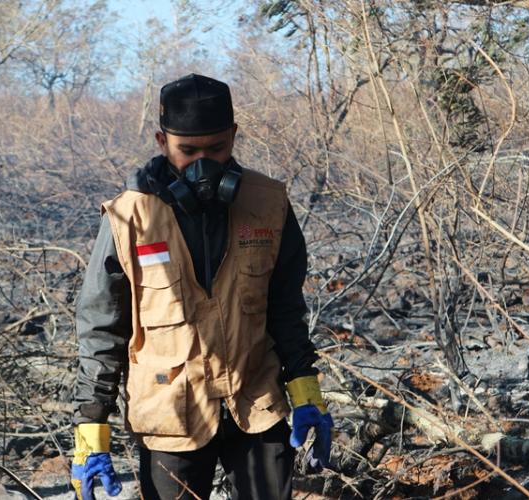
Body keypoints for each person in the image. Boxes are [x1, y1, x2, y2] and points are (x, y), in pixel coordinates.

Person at [70, 73, 334, 500]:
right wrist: (90, 427)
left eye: (217, 148)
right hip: (171, 415)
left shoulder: (268, 203)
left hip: (256, 405)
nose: (203, 163)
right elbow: (102, 328)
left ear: (234, 135)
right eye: (187, 151)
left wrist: (307, 391)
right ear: (161, 141)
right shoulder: (128, 218)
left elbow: (286, 309)